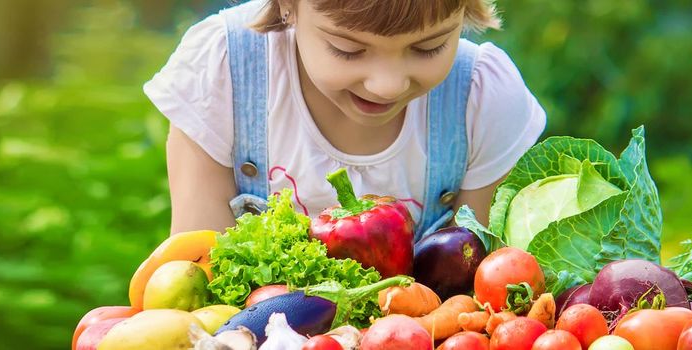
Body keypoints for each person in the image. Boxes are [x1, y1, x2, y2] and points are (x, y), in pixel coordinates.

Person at [144, 0, 545, 239]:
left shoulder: (480, 98)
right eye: (347, 48)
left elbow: (477, 296)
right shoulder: (225, 72)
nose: (386, 85)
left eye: (428, 47)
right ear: (288, 6)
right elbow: (198, 283)